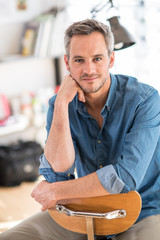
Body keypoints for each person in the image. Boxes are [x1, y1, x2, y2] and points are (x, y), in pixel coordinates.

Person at [1, 19, 160, 240]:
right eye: (79, 60)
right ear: (67, 63)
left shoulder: (145, 100)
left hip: (144, 212)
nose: (88, 69)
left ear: (111, 59)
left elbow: (125, 178)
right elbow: (56, 174)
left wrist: (56, 192)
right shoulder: (59, 104)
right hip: (82, 209)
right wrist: (61, 106)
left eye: (97, 58)